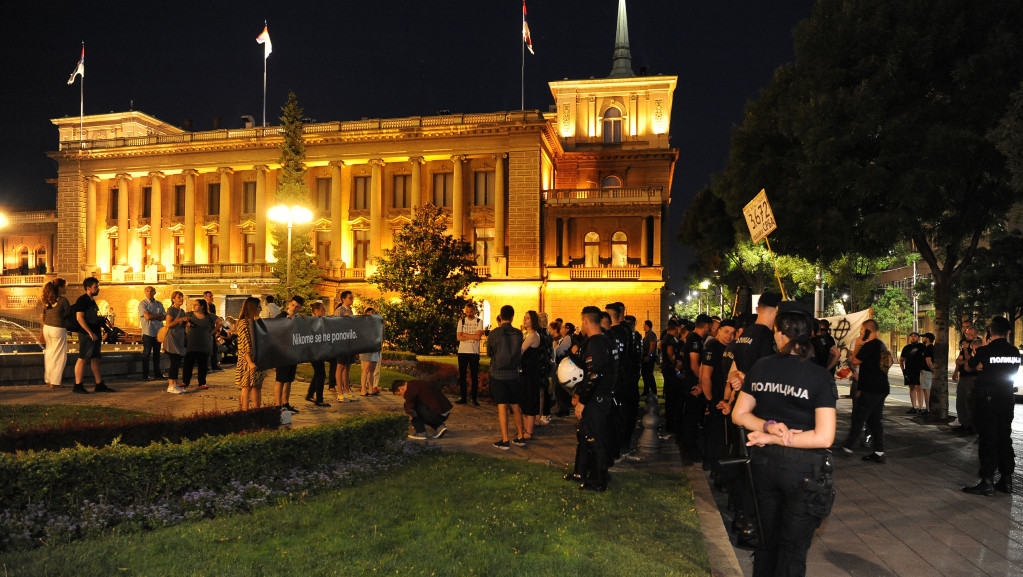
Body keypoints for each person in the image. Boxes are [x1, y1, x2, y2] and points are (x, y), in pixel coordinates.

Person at [731, 307, 837, 577]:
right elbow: (824, 437)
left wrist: (768, 430)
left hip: (763, 465)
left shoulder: (761, 366)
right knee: (792, 551)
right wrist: (778, 434)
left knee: (766, 544)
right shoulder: (819, 376)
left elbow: (739, 414)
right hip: (803, 472)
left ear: (779, 335)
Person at [961, 317, 1022, 496]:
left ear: (990, 330)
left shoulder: (985, 350)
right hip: (1007, 399)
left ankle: (987, 480)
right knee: (1004, 438)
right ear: (1008, 332)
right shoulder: (1014, 352)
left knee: (988, 439)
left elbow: (968, 366)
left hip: (987, 400)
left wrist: (980, 362)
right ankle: (1006, 480)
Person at [564, 305, 616, 491]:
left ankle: (598, 481)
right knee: (586, 436)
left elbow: (594, 375)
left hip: (596, 399)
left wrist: (582, 401)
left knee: (595, 438)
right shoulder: (602, 341)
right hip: (598, 397)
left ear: (586, 321)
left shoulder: (596, 343)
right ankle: (581, 472)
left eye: (581, 321)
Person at [840, 319, 889, 463]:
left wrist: (859, 344)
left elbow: (855, 360)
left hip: (871, 388)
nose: (860, 333)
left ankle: (848, 446)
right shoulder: (881, 344)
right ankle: (879, 452)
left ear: (868, 330)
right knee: (875, 420)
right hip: (881, 387)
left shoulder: (869, 345)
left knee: (859, 417)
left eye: (862, 330)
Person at [488, 305, 526, 450]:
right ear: (512, 316)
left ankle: (505, 440)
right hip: (514, 373)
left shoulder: (494, 333)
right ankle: (521, 436)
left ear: (500, 315)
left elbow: (490, 352)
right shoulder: (518, 333)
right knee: (516, 405)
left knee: (502, 405)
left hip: (498, 374)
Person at [72, 277, 114, 393]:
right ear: (88, 288)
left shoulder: (91, 300)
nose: (98, 289)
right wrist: (90, 333)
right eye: (96, 287)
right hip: (87, 334)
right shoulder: (82, 300)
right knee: (83, 358)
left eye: (98, 286)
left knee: (96, 358)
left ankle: (99, 384)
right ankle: (78, 385)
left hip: (94, 334)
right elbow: (79, 318)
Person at [236, 296, 270, 410]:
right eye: (259, 307)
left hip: (258, 357)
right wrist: (250, 362)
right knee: (247, 386)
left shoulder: (256, 322)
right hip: (248, 360)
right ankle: (244, 411)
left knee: (257, 386)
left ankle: (257, 409)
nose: (261, 309)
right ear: (252, 308)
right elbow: (244, 344)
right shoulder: (243, 323)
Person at [274, 295, 304, 413]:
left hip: (293, 352)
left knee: (289, 379)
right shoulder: (281, 316)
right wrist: (287, 320)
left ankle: (285, 403)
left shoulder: (298, 319)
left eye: (297, 307)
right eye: (292, 305)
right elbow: (276, 330)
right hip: (282, 352)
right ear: (289, 303)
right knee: (280, 379)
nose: (294, 308)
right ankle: (277, 405)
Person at [519, 310, 545, 439]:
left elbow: (521, 351)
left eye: (528, 318)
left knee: (529, 401)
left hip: (531, 373)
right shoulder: (527, 334)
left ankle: (529, 431)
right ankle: (525, 428)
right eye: (524, 317)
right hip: (526, 372)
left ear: (533, 320)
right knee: (524, 400)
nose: (525, 320)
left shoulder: (533, 335)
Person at [39, 278, 70, 388]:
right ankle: (55, 382)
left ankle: (49, 379)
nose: (66, 288)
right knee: (59, 356)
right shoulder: (63, 300)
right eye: (65, 286)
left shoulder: (47, 300)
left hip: (47, 328)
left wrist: (42, 328)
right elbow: (68, 315)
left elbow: (43, 315)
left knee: (50, 354)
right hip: (58, 329)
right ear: (60, 288)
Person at [952, 325, 982, 434]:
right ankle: (963, 424)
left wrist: (965, 350)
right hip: (963, 376)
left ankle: (970, 426)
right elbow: (958, 361)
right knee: (960, 401)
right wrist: (958, 370)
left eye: (971, 334)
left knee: (969, 403)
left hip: (972, 377)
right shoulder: (964, 343)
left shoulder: (977, 345)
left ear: (976, 335)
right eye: (967, 334)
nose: (968, 336)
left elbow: (971, 362)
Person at [181, 298, 215, 391]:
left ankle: (202, 382)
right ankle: (185, 381)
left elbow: (222, 322)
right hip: (191, 344)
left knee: (203, 365)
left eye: (196, 304)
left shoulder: (209, 316)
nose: (193, 306)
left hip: (204, 344)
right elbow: (181, 324)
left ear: (202, 306)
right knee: (188, 364)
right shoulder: (189, 315)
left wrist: (212, 332)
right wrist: (186, 325)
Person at [455, 302, 484, 405]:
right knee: (462, 376)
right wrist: (472, 335)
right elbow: (459, 337)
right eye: (467, 311)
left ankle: (474, 399)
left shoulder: (479, 322)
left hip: (474, 352)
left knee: (474, 376)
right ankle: (463, 398)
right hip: (462, 352)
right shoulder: (461, 322)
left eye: (471, 311)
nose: (468, 313)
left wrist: (465, 335)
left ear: (474, 311)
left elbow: (478, 337)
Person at [304, 301, 331, 407]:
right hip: (314, 351)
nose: (324, 311)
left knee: (318, 373)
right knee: (321, 374)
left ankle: (310, 394)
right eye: (323, 309)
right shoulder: (313, 322)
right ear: (316, 311)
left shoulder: (319, 321)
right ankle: (319, 399)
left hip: (318, 350)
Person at [332, 290, 358, 403]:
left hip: (350, 342)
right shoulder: (340, 311)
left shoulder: (350, 310)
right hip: (341, 342)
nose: (352, 300)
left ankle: (347, 390)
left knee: (347, 367)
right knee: (340, 367)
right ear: (344, 299)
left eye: (352, 298)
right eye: (350, 298)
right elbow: (335, 326)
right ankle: (340, 392)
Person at [162, 291, 189, 394]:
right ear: (173, 299)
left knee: (177, 362)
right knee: (174, 362)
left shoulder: (182, 311)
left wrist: (186, 323)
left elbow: (180, 325)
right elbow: (168, 324)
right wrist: (180, 320)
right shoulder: (171, 310)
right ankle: (170, 385)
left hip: (180, 338)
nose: (181, 299)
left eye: (182, 297)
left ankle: (175, 384)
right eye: (179, 297)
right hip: (172, 339)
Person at [138, 286, 166, 381]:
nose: (149, 293)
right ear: (144, 292)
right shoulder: (143, 304)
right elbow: (147, 317)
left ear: (154, 292)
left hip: (157, 332)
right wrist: (158, 315)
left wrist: (152, 315)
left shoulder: (159, 304)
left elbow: (164, 317)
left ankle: (157, 373)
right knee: (146, 354)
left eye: (151, 291)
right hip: (148, 332)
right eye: (147, 291)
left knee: (157, 354)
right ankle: (145, 375)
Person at [899, 332, 926, 414]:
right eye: (911, 336)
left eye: (915, 336)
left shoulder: (922, 347)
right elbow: (901, 360)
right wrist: (903, 370)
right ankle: (913, 407)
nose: (913, 338)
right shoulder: (906, 347)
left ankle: (920, 407)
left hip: (919, 370)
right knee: (912, 387)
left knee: (919, 388)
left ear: (918, 338)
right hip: (909, 370)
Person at [359, 307, 381, 396]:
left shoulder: (377, 323)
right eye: (369, 312)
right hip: (366, 347)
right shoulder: (363, 323)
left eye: (373, 312)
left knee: (372, 369)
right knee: (366, 368)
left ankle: (371, 388)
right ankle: (363, 389)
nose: (371, 313)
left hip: (374, 347)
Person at [203, 290, 223, 372]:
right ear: (205, 297)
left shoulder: (213, 306)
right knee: (206, 348)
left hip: (212, 329)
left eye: (212, 296)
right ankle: (205, 366)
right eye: (210, 296)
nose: (212, 298)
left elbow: (214, 316)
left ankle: (214, 365)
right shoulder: (203, 306)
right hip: (205, 329)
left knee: (214, 347)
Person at [918, 332, 935, 415]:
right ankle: (928, 408)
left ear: (927, 339)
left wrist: (933, 370)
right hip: (927, 372)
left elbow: (929, 362)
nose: (922, 339)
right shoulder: (930, 347)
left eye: (924, 337)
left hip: (926, 372)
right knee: (927, 390)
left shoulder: (928, 348)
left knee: (926, 391)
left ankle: (928, 409)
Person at [641, 319, 658, 396]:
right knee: (645, 373)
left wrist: (648, 355)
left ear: (647, 325)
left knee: (648, 373)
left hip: (650, 356)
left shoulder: (651, 334)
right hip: (648, 355)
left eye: (644, 325)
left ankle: (653, 390)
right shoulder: (648, 334)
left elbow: (652, 345)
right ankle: (646, 390)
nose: (643, 326)